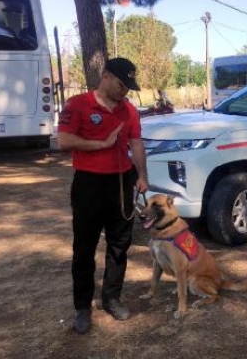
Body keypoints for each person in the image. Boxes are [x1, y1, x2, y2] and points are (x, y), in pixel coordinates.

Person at [57, 57, 148, 334]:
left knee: (119, 244)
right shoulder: (78, 105)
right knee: (84, 248)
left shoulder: (129, 110)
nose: (125, 91)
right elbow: (64, 141)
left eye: (129, 87)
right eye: (122, 84)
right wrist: (102, 144)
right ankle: (82, 307)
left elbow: (136, 143)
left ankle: (111, 298)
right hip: (89, 184)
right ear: (106, 76)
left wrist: (142, 176)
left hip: (121, 182)